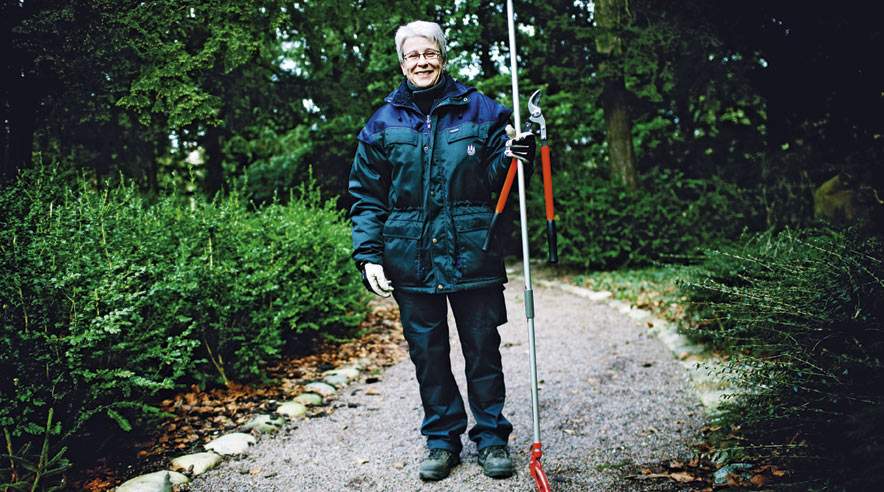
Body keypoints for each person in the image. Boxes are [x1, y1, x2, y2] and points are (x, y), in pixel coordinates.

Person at [348, 20, 535, 481]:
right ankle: (442, 440)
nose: (422, 62)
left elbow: (500, 183)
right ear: (401, 63)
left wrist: (514, 156)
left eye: (429, 53)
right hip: (409, 258)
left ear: (443, 57)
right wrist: (368, 254)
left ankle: (491, 438)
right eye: (412, 55)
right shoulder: (382, 122)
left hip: (474, 251)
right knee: (427, 354)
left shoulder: (483, 110)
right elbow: (367, 196)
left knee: (482, 349)